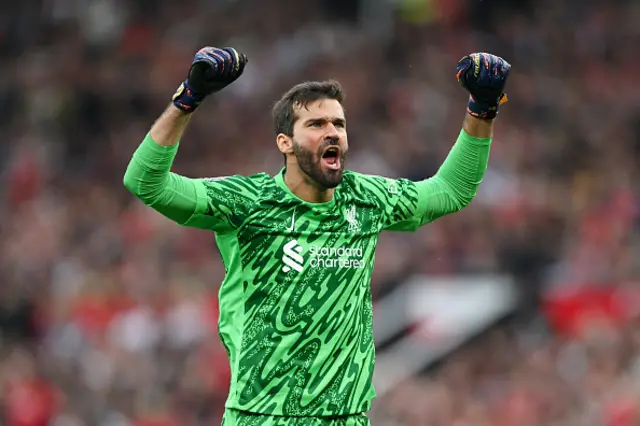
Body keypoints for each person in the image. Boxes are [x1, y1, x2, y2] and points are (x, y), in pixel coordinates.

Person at [123, 47, 511, 426]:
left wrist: (482, 109)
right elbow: (145, 182)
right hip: (262, 417)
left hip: (346, 418)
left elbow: (451, 191)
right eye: (316, 124)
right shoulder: (247, 202)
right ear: (284, 143)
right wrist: (188, 99)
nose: (333, 133)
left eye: (338, 124)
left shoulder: (366, 198)